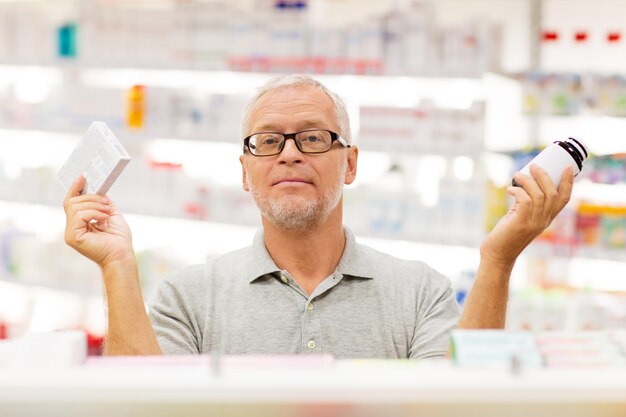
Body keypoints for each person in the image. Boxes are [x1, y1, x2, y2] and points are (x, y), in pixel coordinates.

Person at [63, 75, 574, 358]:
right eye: (267, 141)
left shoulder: (419, 291)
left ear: (349, 163)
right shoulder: (190, 297)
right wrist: (117, 266)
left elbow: (461, 407)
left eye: (311, 138)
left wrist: (498, 258)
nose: (288, 154)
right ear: (245, 171)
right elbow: (147, 408)